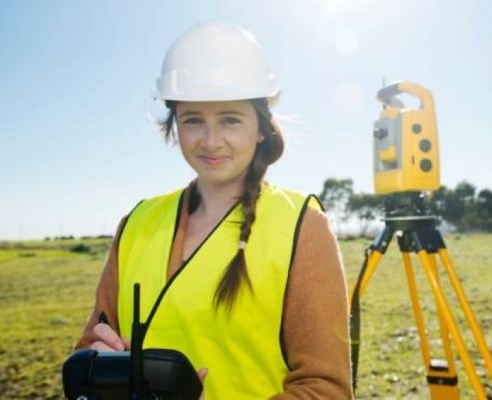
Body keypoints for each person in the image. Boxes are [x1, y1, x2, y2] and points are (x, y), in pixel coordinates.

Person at [73, 21, 353, 399]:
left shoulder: (301, 226)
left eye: (230, 119)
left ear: (260, 128)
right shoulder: (137, 223)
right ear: (174, 126)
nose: (211, 141)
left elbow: (326, 390)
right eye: (193, 120)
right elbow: (90, 349)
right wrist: (96, 365)